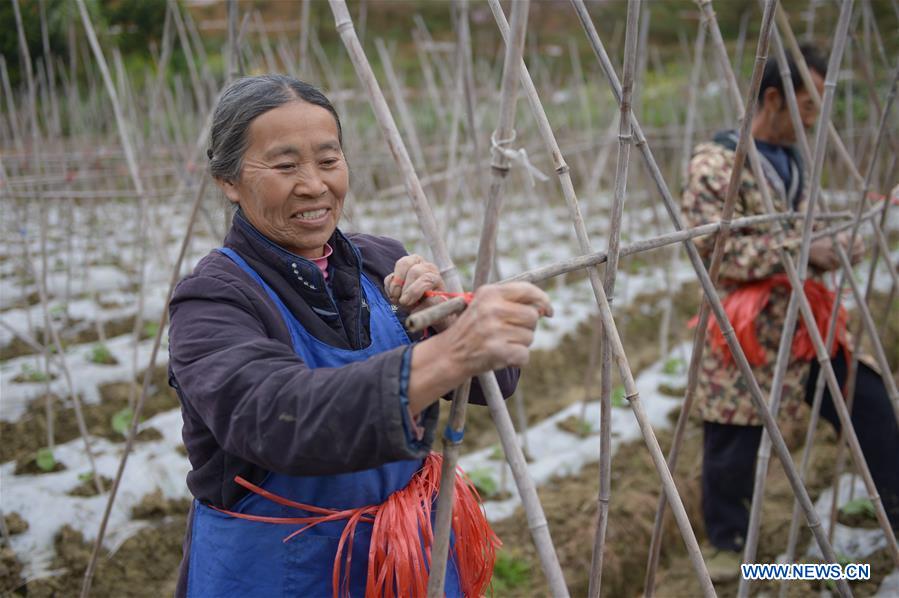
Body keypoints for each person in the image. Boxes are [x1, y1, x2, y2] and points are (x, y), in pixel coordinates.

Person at [168, 75, 554, 597]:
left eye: (328, 160)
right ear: (228, 180)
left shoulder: (379, 260)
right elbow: (278, 418)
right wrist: (449, 354)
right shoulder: (213, 299)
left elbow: (494, 385)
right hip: (280, 572)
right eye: (285, 166)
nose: (314, 185)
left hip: (403, 559)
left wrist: (448, 320)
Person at [681, 46, 899, 580]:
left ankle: (893, 506)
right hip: (748, 329)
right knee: (732, 442)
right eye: (809, 102)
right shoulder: (717, 164)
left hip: (806, 325)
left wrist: (838, 243)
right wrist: (799, 252)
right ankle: (729, 545)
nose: (816, 114)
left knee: (869, 405)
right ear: (774, 98)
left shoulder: (796, 160)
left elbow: (807, 230)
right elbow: (711, 251)